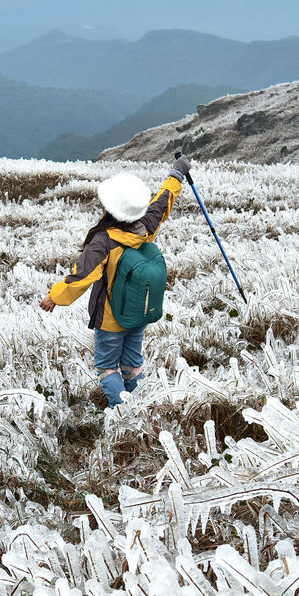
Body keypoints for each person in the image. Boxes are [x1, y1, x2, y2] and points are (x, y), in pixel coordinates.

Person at [39, 156, 191, 408]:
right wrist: (176, 175)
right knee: (132, 363)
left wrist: (54, 297)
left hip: (111, 321)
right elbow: (162, 202)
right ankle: (142, 405)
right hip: (137, 313)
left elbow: (81, 276)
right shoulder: (145, 227)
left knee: (107, 368)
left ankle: (125, 412)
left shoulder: (104, 240)